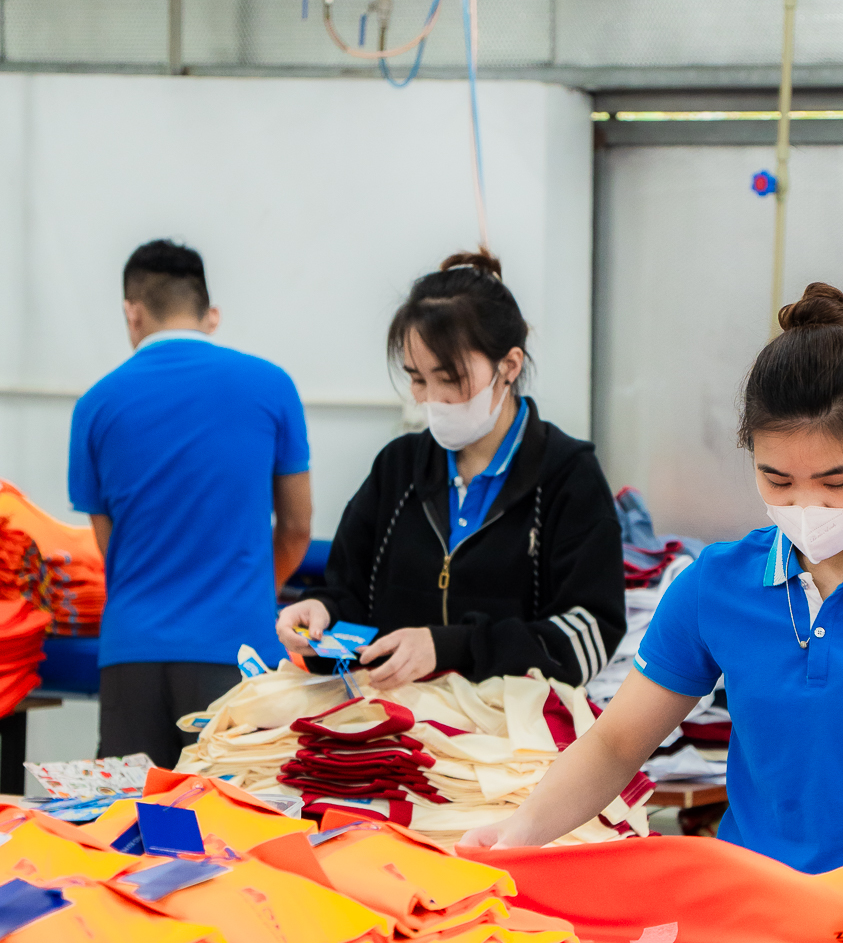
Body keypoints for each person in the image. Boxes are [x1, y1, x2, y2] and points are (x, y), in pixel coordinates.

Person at [460, 283, 843, 911]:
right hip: (749, 921)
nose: (806, 504)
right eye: (777, 480)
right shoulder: (715, 584)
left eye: (836, 480)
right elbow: (616, 744)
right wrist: (520, 833)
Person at [278, 249, 625, 689]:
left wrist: (449, 648)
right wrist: (322, 614)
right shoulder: (397, 469)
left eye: (449, 379)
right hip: (396, 719)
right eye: (417, 379)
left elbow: (589, 633)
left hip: (510, 725)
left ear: (509, 366)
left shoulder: (566, 476)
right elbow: (348, 592)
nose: (430, 398)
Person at [70, 239, 312, 769]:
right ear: (208, 313)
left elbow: (111, 546)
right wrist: (250, 591)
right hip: (237, 649)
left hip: (132, 651)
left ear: (132, 312)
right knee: (237, 811)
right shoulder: (271, 386)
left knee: (131, 813)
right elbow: (297, 527)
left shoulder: (96, 404)